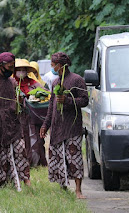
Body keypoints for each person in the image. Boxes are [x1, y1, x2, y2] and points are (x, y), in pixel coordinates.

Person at [40, 52, 88, 199]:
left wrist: (67, 100)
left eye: (53, 65)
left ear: (60, 66)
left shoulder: (77, 80)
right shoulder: (55, 83)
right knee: (59, 158)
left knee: (75, 158)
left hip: (72, 128)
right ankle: (63, 187)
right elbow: (51, 107)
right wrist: (45, 125)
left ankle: (78, 190)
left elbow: (84, 100)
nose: (52, 68)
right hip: (57, 127)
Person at [0, 52, 31, 191]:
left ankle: (26, 182)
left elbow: (18, 105)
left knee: (20, 152)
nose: (12, 69)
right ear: (1, 65)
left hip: (13, 125)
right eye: (10, 66)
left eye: (13, 66)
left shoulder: (13, 82)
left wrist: (20, 102)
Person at [13, 59, 45, 165]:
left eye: (24, 70)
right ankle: (21, 162)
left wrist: (36, 96)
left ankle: (34, 162)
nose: (21, 72)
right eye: (19, 70)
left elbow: (45, 94)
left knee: (33, 138)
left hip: (32, 116)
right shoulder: (11, 83)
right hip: (16, 117)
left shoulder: (33, 83)